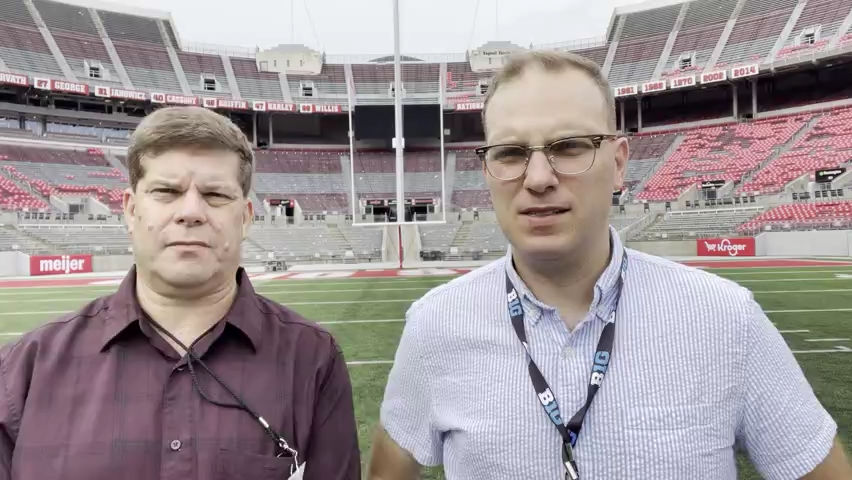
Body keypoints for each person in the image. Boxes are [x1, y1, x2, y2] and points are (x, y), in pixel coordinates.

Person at [368, 51, 852, 480]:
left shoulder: (726, 318)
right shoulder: (435, 323)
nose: (538, 178)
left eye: (569, 147)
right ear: (487, 170)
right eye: (511, 153)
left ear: (619, 163)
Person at [0, 107, 360, 480]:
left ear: (246, 217)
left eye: (216, 194)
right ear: (130, 210)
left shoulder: (312, 360)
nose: (190, 212)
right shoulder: (22, 371)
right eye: (166, 191)